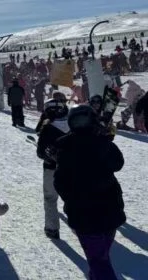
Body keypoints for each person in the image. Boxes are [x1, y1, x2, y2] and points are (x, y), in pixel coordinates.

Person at [54, 105, 126, 280]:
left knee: (98, 261)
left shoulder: (65, 145)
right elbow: (118, 163)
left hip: (84, 214)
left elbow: (60, 182)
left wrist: (71, 199)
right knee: (100, 258)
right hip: (109, 210)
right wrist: (105, 139)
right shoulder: (100, 140)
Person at [36, 99, 69, 240]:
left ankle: (52, 228)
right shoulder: (74, 125)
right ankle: (80, 224)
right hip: (72, 168)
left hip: (51, 168)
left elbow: (40, 152)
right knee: (73, 197)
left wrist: (49, 154)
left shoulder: (48, 128)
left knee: (50, 198)